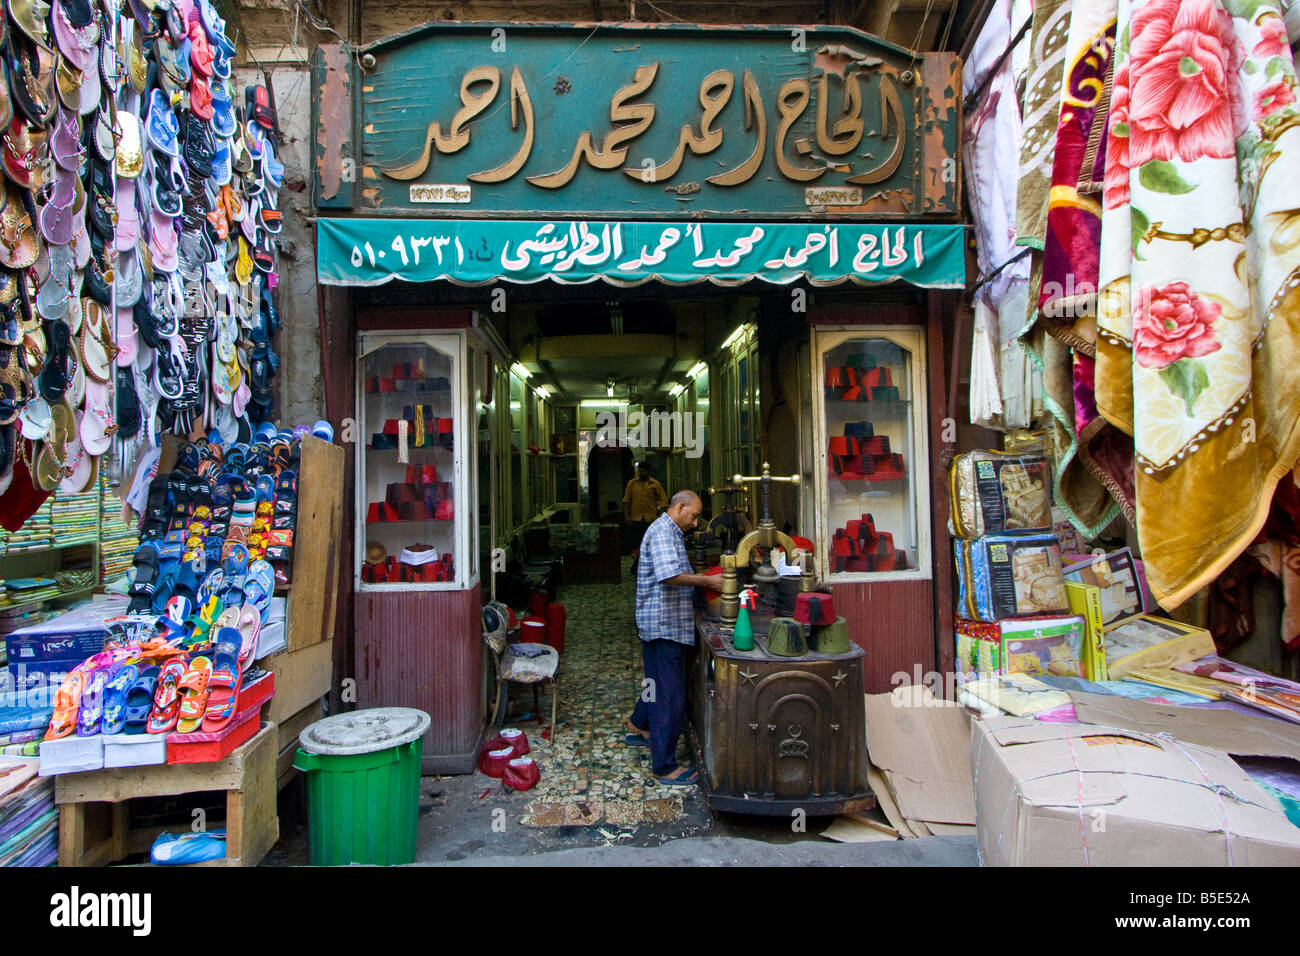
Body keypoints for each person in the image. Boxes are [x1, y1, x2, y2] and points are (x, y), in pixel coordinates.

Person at [625, 490, 723, 786]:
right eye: (694, 516)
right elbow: (669, 575)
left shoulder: (666, 530)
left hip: (656, 621)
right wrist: (707, 581)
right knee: (670, 695)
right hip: (664, 624)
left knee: (654, 682)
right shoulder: (664, 533)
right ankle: (664, 765)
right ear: (679, 507)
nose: (695, 523)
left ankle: (637, 725)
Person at [623, 461, 667, 570]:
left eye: (642, 472)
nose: (640, 474)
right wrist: (626, 516)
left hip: (650, 520)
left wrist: (659, 516)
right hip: (635, 519)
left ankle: (650, 566)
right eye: (639, 471)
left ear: (648, 472)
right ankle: (638, 567)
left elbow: (664, 501)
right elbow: (626, 500)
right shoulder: (631, 484)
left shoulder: (655, 484)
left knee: (650, 544)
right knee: (636, 544)